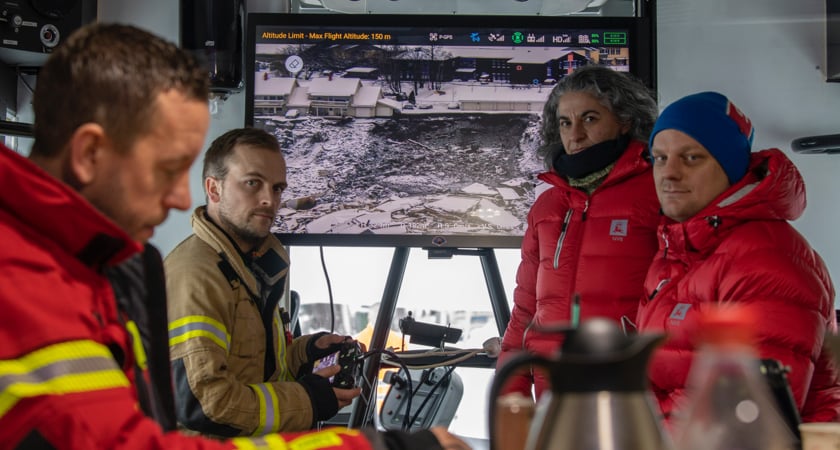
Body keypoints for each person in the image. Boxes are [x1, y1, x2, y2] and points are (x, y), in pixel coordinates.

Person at [0, 22, 469, 450]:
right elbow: (177, 423)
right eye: (166, 170)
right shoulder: (25, 289)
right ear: (89, 154)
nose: (179, 201)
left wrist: (305, 353)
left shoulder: (87, 273)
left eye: (278, 188)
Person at [636, 91, 840, 423]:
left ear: (730, 167)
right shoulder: (678, 250)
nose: (668, 173)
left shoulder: (768, 260)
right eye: (660, 158)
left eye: (691, 158)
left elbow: (750, 412)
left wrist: (631, 424)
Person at [166, 127, 363, 435]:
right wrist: (308, 400)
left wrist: (307, 351)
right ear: (214, 189)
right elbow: (203, 402)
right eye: (252, 183)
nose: (268, 200)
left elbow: (257, 368)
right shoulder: (197, 275)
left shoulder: (252, 265)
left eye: (277, 188)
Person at [497, 65, 661, 399]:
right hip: (552, 392)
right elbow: (526, 309)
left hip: (630, 392)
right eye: (565, 122)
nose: (575, 136)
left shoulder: (658, 192)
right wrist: (510, 392)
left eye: (590, 119)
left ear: (625, 120)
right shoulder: (547, 206)